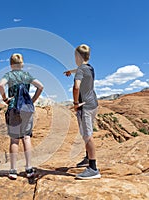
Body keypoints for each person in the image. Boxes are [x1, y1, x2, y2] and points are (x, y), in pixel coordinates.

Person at [0, 53, 43, 180]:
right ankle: (29, 169)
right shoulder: (26, 75)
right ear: (22, 64)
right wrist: (32, 100)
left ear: (11, 64)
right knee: (26, 138)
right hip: (26, 108)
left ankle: (13, 171)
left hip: (14, 108)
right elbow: (41, 86)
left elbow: (1, 85)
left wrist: (5, 99)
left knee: (14, 140)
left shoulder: (9, 75)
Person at [66, 44, 101, 179]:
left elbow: (76, 88)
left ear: (77, 57)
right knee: (87, 132)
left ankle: (93, 168)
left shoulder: (81, 70)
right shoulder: (89, 68)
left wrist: (75, 103)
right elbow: (82, 70)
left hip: (84, 106)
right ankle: (88, 157)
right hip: (93, 104)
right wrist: (72, 71)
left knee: (87, 135)